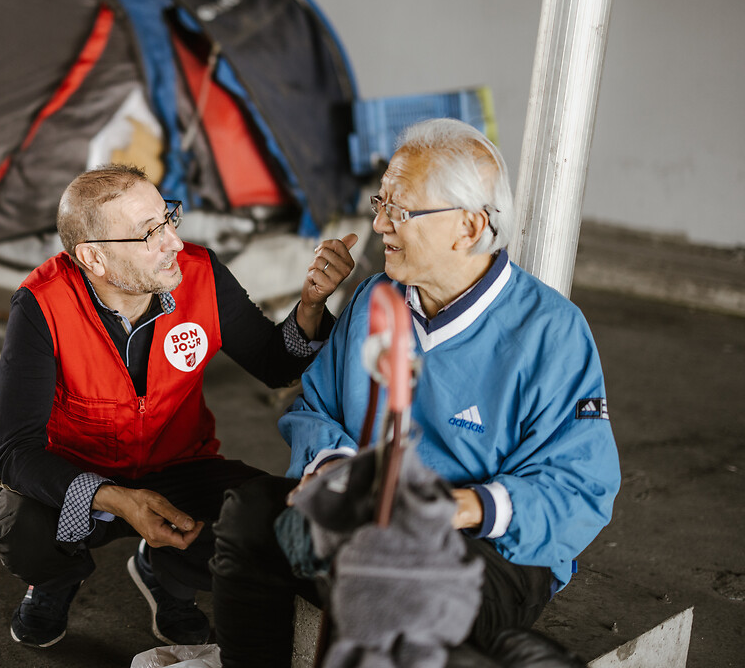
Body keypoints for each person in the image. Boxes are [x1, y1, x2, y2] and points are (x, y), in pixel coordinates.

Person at [210, 118, 621, 666]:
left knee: (402, 592)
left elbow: (580, 488)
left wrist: (458, 507)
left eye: (401, 211)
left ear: (469, 228)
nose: (379, 222)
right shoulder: (375, 298)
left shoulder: (552, 332)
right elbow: (317, 406)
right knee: (247, 516)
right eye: (381, 202)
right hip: (371, 517)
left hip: (487, 546)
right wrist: (334, 467)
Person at [0, 164, 358, 648]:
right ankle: (55, 582)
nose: (174, 243)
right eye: (149, 233)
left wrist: (311, 304)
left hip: (180, 465)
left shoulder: (201, 274)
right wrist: (118, 498)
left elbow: (274, 365)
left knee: (273, 519)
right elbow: (13, 452)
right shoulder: (42, 305)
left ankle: (168, 578)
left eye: (168, 219)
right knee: (21, 528)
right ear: (94, 258)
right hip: (81, 474)